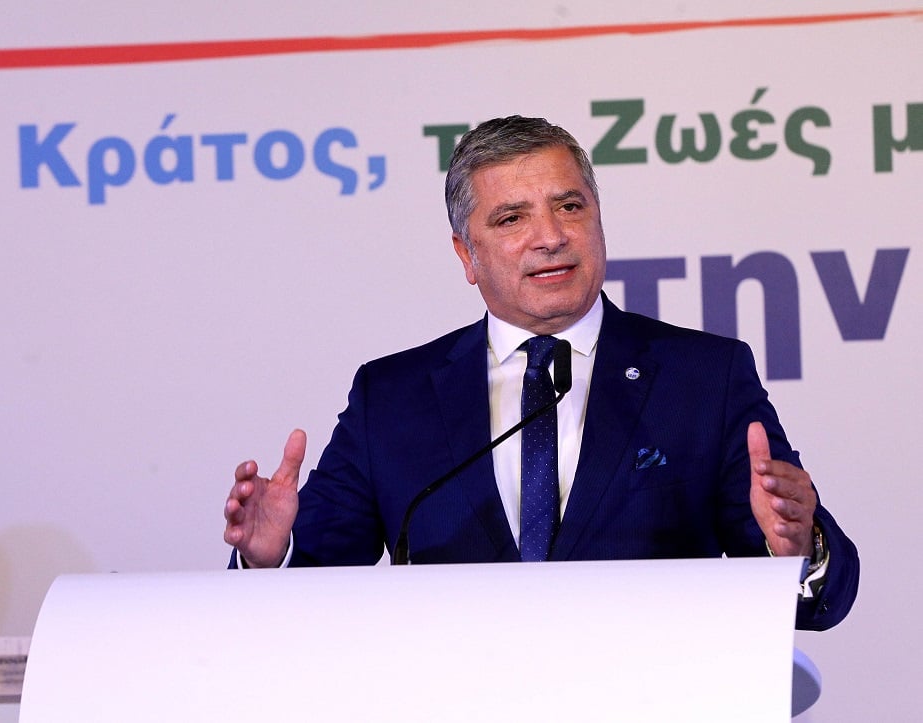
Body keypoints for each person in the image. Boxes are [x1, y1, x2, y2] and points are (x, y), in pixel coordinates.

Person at [223, 115, 858, 631]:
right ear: (466, 255)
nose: (550, 236)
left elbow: (817, 595)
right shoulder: (391, 398)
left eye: (569, 206)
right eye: (511, 218)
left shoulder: (704, 378)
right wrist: (268, 560)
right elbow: (310, 595)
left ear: (599, 221)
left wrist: (799, 548)